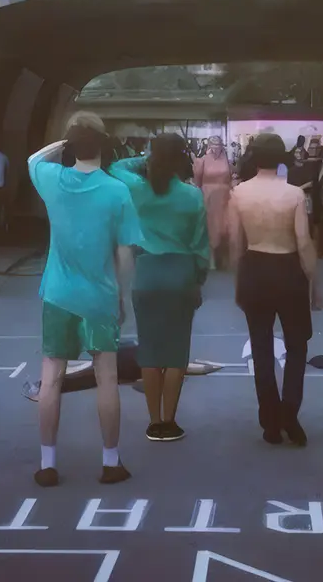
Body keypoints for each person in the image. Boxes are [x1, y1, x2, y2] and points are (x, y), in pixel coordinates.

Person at [28, 112, 135, 487]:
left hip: (57, 293)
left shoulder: (51, 179)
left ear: (71, 145)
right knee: (107, 378)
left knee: (51, 378)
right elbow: (124, 253)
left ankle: (47, 464)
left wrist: (63, 142)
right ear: (104, 146)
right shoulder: (117, 190)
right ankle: (110, 461)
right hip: (100, 297)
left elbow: (33, 160)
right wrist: (122, 297)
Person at [111, 133, 209, 441]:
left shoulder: (139, 190)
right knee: (177, 352)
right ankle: (170, 420)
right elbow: (201, 245)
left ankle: (153, 422)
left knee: (150, 351)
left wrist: (148, 159)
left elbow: (116, 166)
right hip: (181, 272)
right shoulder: (192, 195)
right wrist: (198, 279)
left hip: (148, 272)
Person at [230, 132, 317, 447]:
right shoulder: (294, 194)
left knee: (261, 345)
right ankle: (290, 413)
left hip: (255, 267)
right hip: (288, 268)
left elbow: (236, 243)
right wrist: (314, 282)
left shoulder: (239, 193)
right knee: (297, 345)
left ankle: (269, 419)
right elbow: (303, 242)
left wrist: (239, 280)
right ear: (282, 157)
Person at [192, 136, 236, 270]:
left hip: (225, 196)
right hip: (209, 196)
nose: (216, 147)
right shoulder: (203, 161)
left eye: (219, 145)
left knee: (225, 227)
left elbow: (230, 177)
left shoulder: (227, 160)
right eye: (214, 144)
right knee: (211, 226)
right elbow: (197, 182)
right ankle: (210, 259)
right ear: (209, 145)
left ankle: (224, 259)